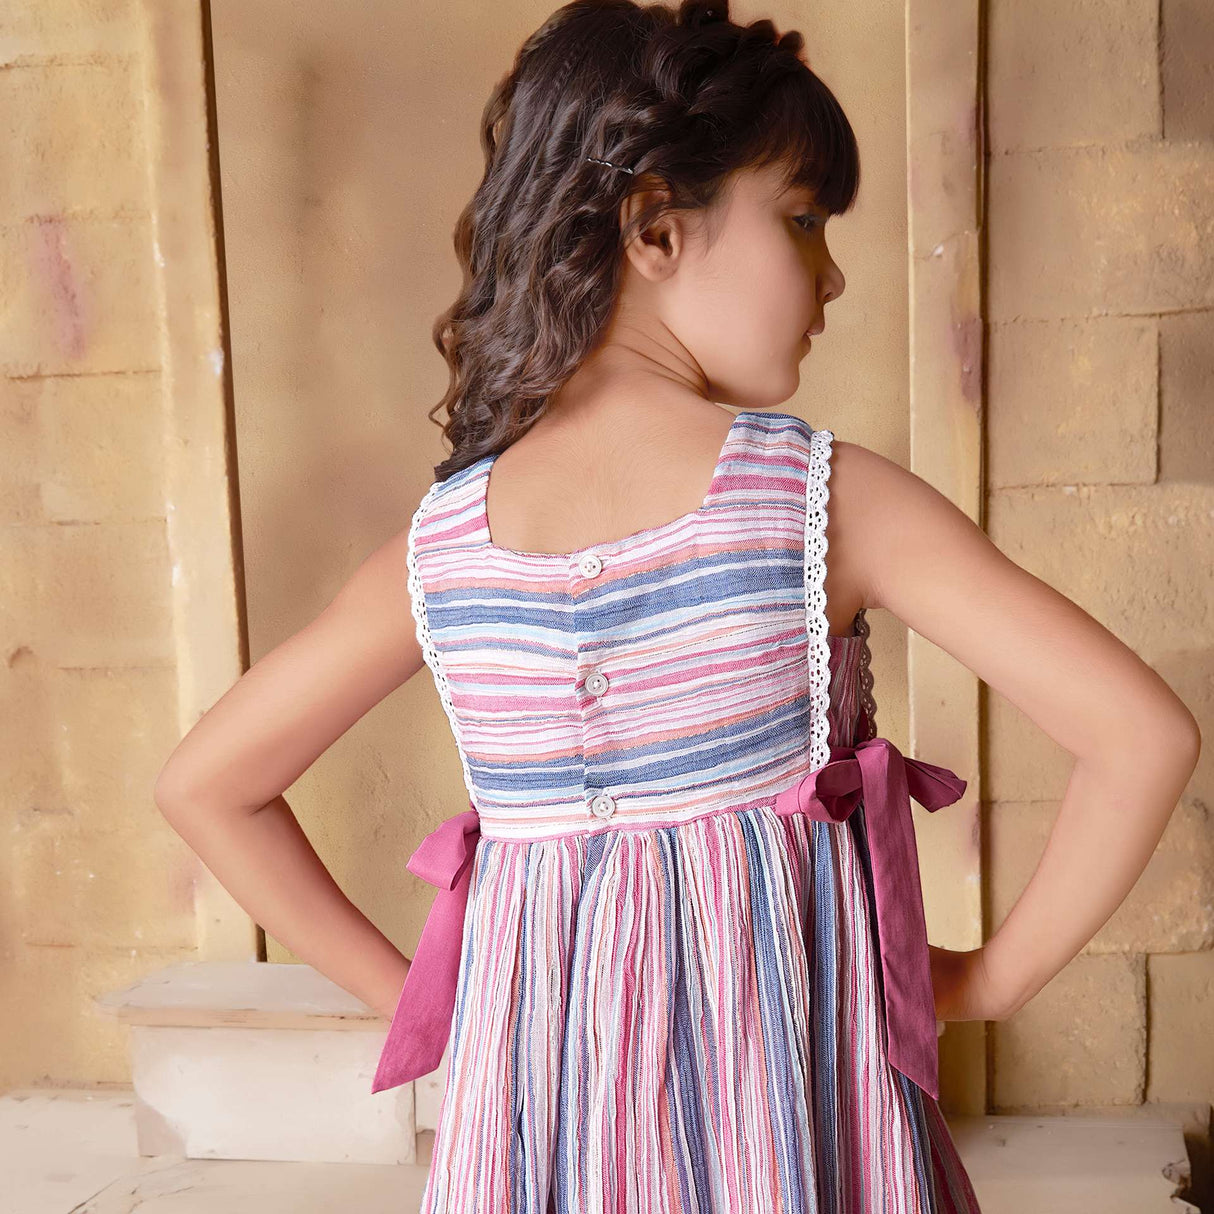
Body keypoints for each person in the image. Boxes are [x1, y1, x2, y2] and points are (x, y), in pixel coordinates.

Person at [152, 1, 1201, 1210]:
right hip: (793, 1135)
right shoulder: (819, 502)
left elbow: (205, 783)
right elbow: (1141, 733)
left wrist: (433, 998)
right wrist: (991, 980)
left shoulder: (437, 550)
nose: (832, 269)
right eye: (801, 218)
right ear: (653, 226)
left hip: (533, 1143)